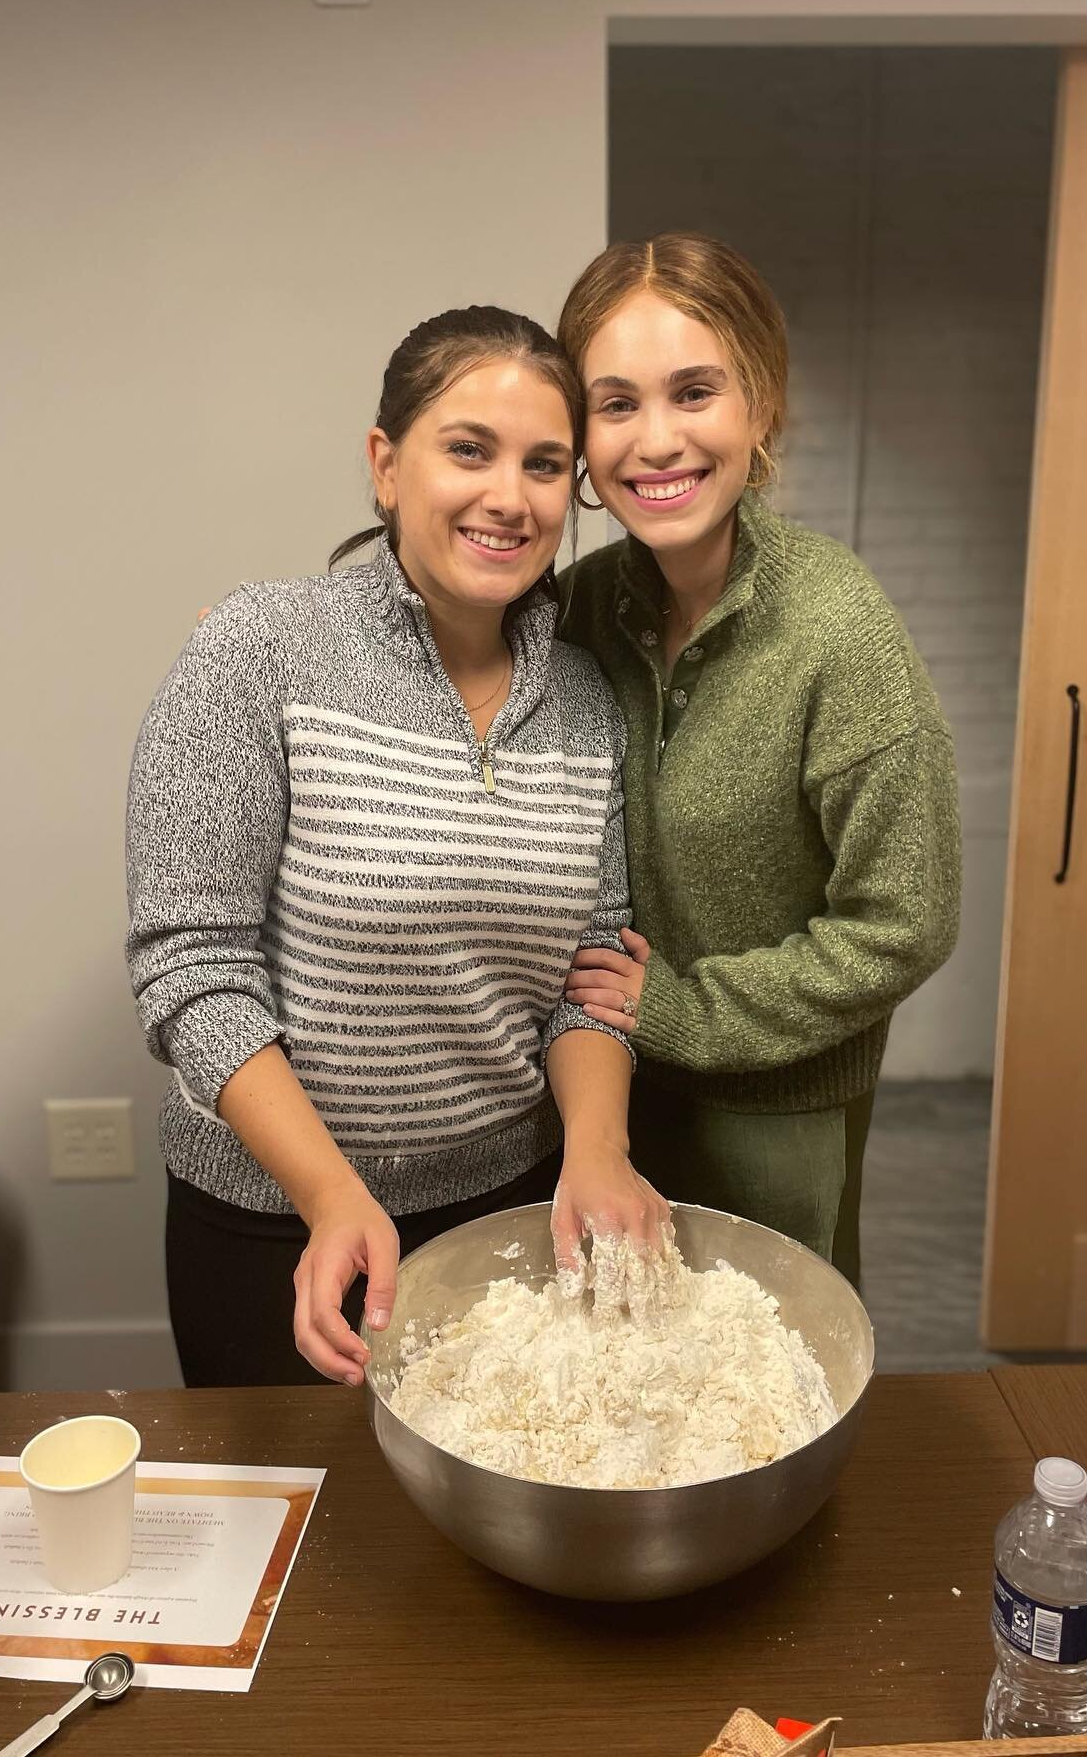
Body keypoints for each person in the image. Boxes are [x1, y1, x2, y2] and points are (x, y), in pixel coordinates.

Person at [126, 307, 670, 1388]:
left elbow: (591, 971)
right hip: (279, 1223)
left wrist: (598, 1151)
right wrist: (330, 1193)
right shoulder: (259, 648)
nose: (508, 497)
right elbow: (191, 969)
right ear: (385, 465)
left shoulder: (583, 703)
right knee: (317, 1539)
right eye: (468, 450)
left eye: (545, 465)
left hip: (506, 1208)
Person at [555, 235, 962, 1286]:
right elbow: (445, 640)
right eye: (616, 404)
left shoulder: (839, 629)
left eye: (695, 392)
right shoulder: (587, 605)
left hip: (773, 1115)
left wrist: (685, 1010)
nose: (657, 441)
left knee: (757, 1391)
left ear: (762, 404)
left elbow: (906, 921)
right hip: (600, 1088)